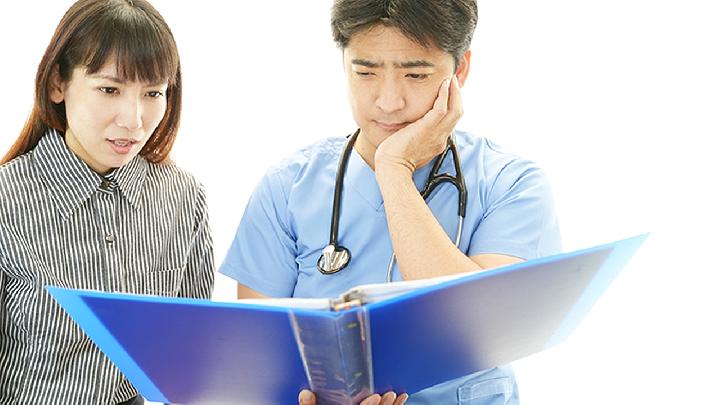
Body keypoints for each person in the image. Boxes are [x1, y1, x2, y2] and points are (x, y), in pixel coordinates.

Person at [220, 0, 562, 403]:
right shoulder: (287, 187)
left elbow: (476, 327)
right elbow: (258, 362)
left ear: (460, 69)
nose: (388, 101)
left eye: (415, 74)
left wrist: (394, 170)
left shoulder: (511, 183)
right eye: (365, 72)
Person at [0, 1, 214, 404]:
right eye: (109, 89)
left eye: (153, 93)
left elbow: (193, 357)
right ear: (57, 84)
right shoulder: (7, 201)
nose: (134, 120)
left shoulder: (183, 197)